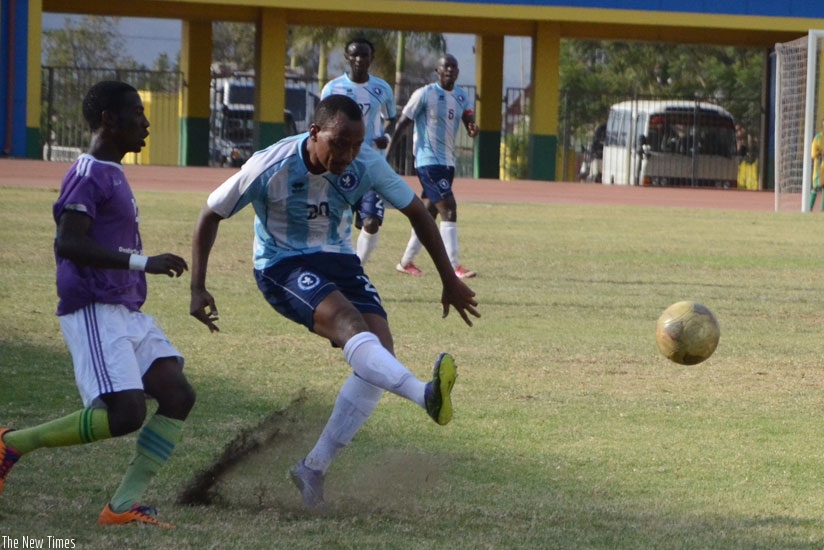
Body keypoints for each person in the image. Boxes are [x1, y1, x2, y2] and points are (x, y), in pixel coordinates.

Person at [189, 94, 480, 508]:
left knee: (379, 356)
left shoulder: (365, 163)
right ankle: (424, 394)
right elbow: (209, 215)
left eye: (356, 145)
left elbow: (417, 211)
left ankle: (313, 467)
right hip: (282, 263)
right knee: (350, 326)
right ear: (314, 134)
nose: (347, 154)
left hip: (339, 259)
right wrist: (197, 287)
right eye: (339, 144)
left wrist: (449, 279)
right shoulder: (268, 165)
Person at [0, 81, 195, 528]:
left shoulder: (113, 173)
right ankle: (14, 443)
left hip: (125, 308)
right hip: (94, 306)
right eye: (137, 114)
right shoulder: (87, 173)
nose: (146, 123)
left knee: (177, 393)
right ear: (109, 119)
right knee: (126, 414)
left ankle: (121, 507)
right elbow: (69, 242)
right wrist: (145, 262)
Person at [388, 53, 479, 278]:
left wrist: (471, 127)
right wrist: (387, 154)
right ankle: (454, 266)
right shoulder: (425, 94)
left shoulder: (460, 96)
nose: (450, 70)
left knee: (427, 215)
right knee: (449, 208)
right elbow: (403, 123)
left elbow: (468, 117)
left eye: (454, 66)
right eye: (446, 66)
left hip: (448, 162)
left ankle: (406, 261)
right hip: (427, 161)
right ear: (437, 71)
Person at [321, 37, 397, 265]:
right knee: (337, 222)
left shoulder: (381, 88)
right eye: (354, 54)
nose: (359, 59)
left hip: (371, 165)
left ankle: (357, 268)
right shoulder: (333, 88)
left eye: (364, 55)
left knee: (371, 222)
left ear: (371, 58)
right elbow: (321, 122)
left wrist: (386, 136)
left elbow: (391, 119)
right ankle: (337, 265)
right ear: (347, 57)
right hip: (340, 164)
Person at [811, 119, 824, 211]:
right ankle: (809, 208)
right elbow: (813, 154)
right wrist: (820, 153)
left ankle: (822, 210)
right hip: (819, 167)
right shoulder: (818, 138)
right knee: (816, 186)